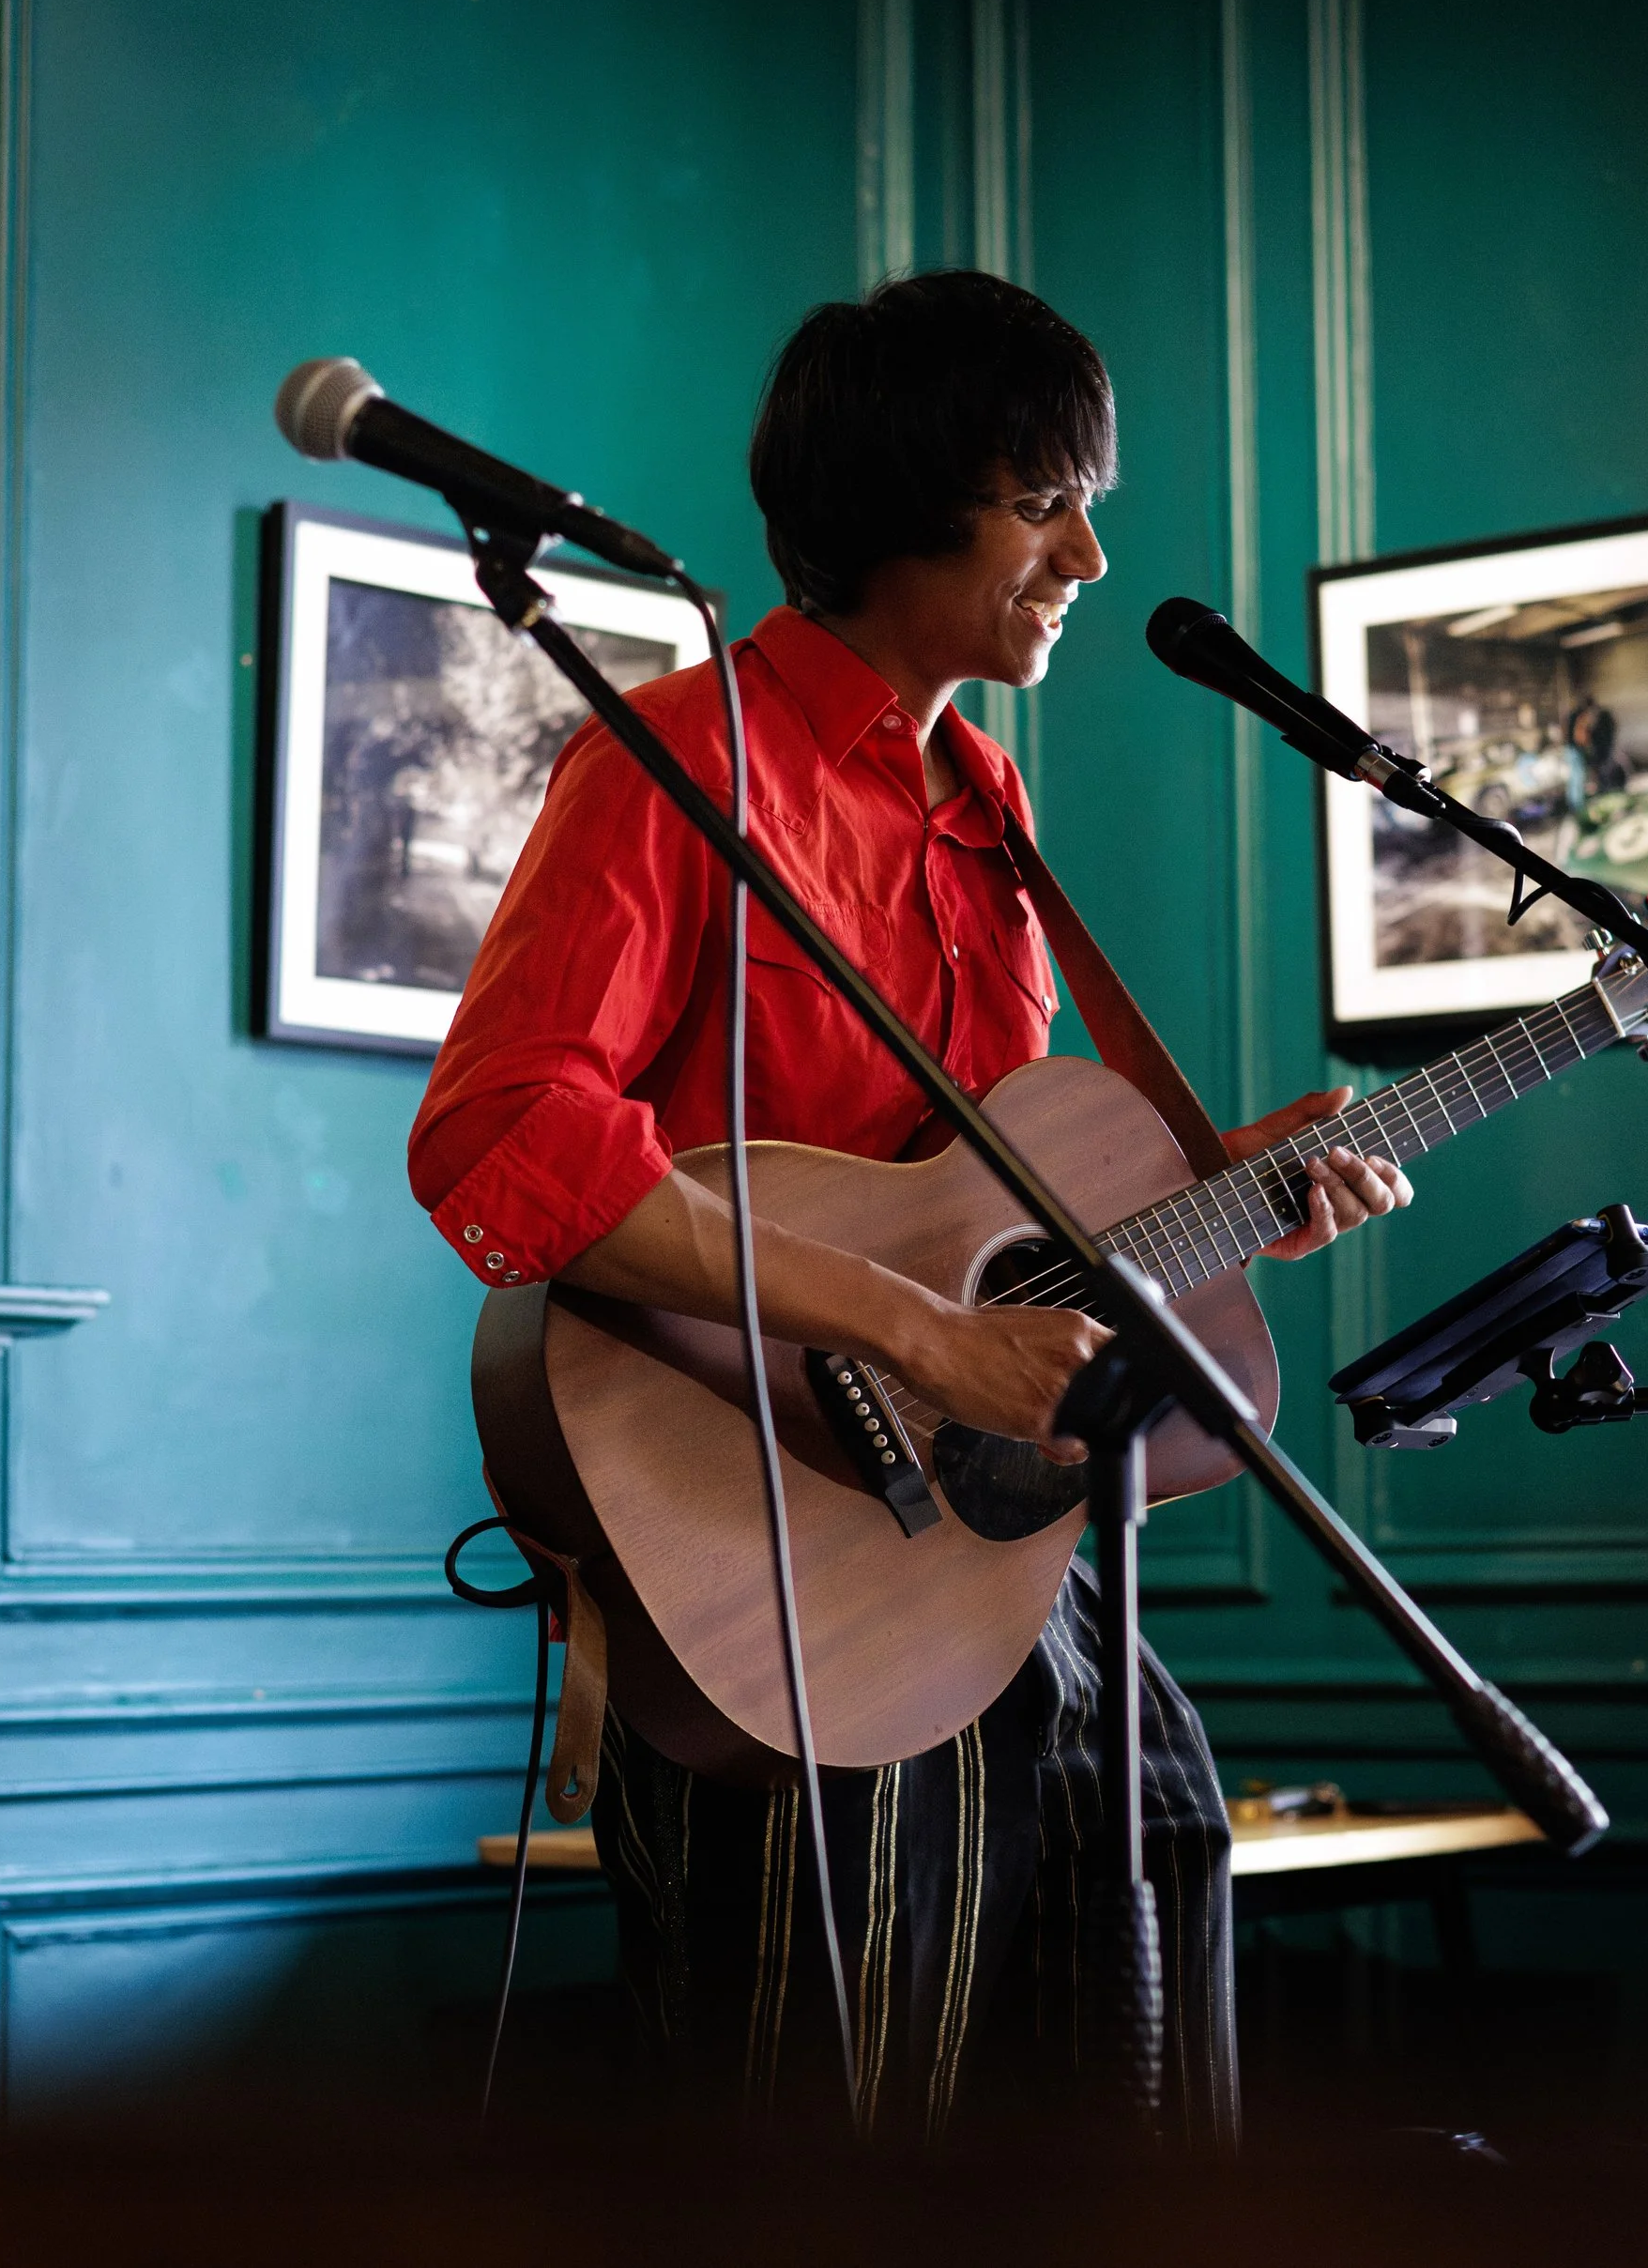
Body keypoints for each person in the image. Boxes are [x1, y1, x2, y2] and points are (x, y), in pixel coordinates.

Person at [410, 273, 1412, 2144]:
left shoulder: (986, 799)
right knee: (844, 2087)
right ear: (898, 504)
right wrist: (915, 1329)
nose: (1091, 555)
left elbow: (962, 1201)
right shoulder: (679, 765)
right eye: (1044, 504)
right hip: (768, 1547)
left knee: (1151, 1912)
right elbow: (503, 1140)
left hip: (990, 1547)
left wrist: (1224, 1194)